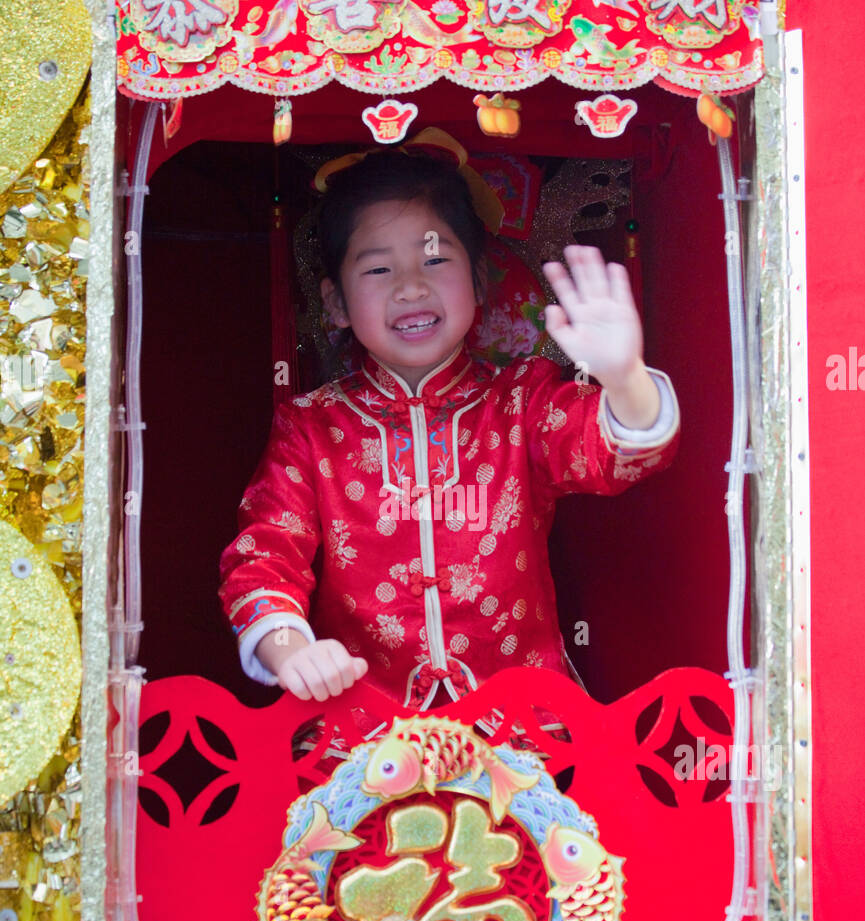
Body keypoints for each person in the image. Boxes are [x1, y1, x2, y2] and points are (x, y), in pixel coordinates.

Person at [218, 145, 680, 712]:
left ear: (479, 281)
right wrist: (288, 649)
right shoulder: (311, 426)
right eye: (379, 267)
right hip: (360, 734)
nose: (410, 286)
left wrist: (626, 378)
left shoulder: (521, 401)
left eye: (435, 258)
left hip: (519, 731)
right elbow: (265, 553)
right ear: (336, 302)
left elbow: (611, 454)